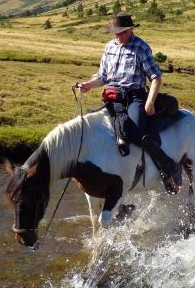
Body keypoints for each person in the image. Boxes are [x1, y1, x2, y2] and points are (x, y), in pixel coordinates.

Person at [77, 12, 182, 194]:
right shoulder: (109, 47)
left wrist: (150, 102)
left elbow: (156, 77)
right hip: (113, 97)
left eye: (123, 32)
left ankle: (168, 166)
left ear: (131, 29)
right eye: (116, 33)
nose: (119, 36)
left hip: (136, 97)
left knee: (133, 130)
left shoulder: (141, 47)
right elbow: (102, 76)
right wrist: (88, 85)